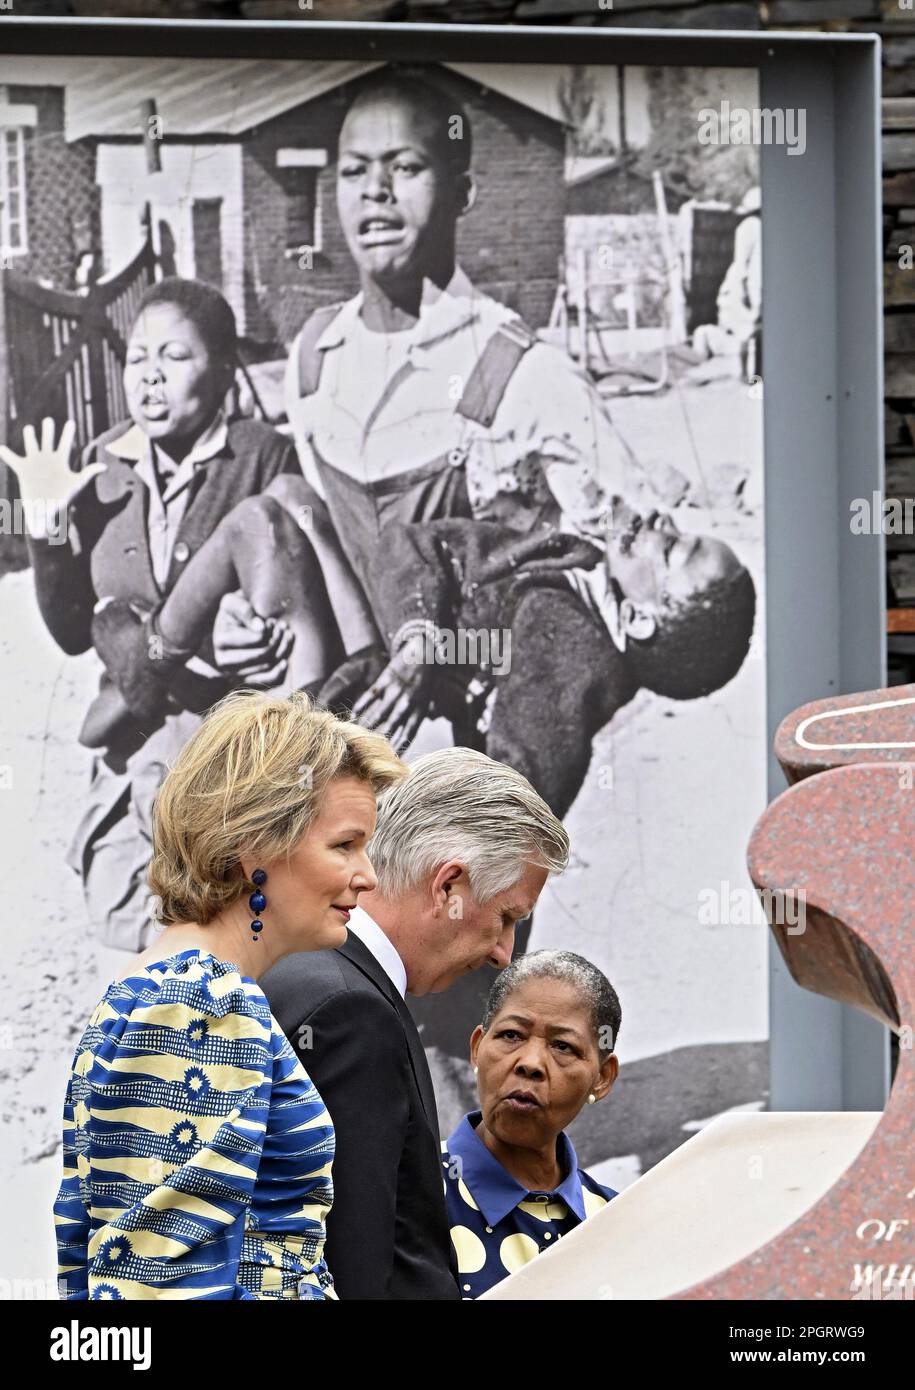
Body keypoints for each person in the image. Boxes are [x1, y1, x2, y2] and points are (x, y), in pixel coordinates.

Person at [213, 64, 639, 734]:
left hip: (471, 756)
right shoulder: (313, 356)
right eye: (354, 172)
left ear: (461, 191)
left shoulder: (528, 375)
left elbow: (630, 571)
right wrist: (242, 610)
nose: (375, 192)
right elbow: (314, 544)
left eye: (405, 167)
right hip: (342, 735)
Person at [52, 689, 407, 1300]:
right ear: (258, 850)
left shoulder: (176, 987)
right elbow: (162, 1287)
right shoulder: (204, 1003)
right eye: (344, 845)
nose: (367, 875)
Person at [0, 277, 316, 951]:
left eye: (174, 357)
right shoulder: (102, 465)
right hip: (131, 747)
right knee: (149, 954)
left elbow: (294, 613)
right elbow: (69, 630)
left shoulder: (263, 455)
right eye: (138, 358)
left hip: (228, 755)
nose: (149, 377)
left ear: (225, 370)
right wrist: (48, 528)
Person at [261, 745, 569, 1300]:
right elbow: (353, 1265)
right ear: (448, 885)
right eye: (507, 917)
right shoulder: (351, 1010)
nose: (505, 951)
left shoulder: (318, 979)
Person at [354, 496, 757, 818]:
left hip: (364, 729)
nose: (659, 518)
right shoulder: (579, 560)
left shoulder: (574, 652)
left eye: (669, 548)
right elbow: (418, 542)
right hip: (377, 649)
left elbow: (511, 814)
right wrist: (418, 638)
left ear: (635, 618)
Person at [444, 950, 621, 1298]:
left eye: (562, 1046)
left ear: (602, 1078)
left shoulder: (618, 1222)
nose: (531, 1063)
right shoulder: (410, 1194)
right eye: (512, 1035)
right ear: (478, 1048)